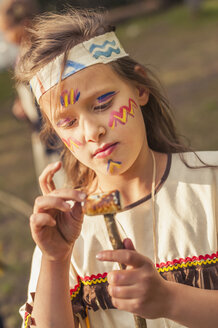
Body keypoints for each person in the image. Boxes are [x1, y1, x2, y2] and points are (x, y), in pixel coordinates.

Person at [15, 8, 218, 328]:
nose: (91, 131)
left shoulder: (211, 184)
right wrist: (55, 260)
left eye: (103, 104)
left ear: (140, 88)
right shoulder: (67, 230)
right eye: (68, 122)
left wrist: (170, 300)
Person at [0, 0, 65, 188]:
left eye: (7, 31)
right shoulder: (22, 52)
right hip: (40, 133)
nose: (5, 36)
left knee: (63, 177)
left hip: (54, 134)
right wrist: (21, 104)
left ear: (25, 24)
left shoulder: (41, 53)